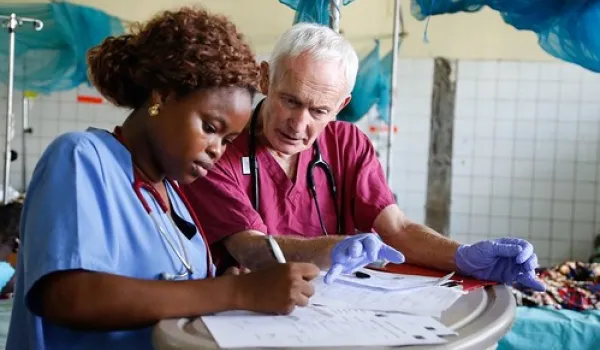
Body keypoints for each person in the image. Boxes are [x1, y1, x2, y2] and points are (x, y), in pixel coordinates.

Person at [5, 8, 395, 350]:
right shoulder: (83, 159)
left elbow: (178, 298)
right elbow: (69, 296)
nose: (217, 150)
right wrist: (236, 291)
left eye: (227, 140)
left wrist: (230, 286)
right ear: (162, 97)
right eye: (210, 127)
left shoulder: (175, 201)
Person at [183, 22, 546, 291]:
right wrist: (336, 248)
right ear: (265, 80)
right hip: (252, 314)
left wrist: (464, 256)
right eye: (290, 100)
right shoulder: (220, 147)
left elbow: (398, 230)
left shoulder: (347, 144)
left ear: (341, 106)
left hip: (340, 309)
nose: (299, 124)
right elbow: (250, 248)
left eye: (319, 111)